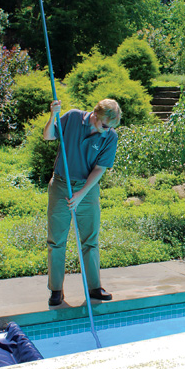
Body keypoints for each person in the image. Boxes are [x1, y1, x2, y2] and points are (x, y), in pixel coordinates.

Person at [43, 98, 122, 306]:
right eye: (105, 125)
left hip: (87, 190)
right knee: (56, 241)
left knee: (90, 240)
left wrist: (81, 194)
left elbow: (100, 169)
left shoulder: (110, 136)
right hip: (61, 186)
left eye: (111, 127)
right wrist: (53, 115)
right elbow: (49, 136)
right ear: (95, 115)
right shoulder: (72, 117)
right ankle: (56, 290)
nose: (107, 130)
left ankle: (94, 287)